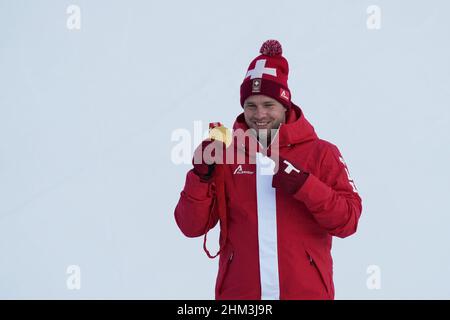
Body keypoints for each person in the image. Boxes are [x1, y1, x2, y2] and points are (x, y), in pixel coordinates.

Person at [174, 39, 362, 300]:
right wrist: (200, 177)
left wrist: (302, 183)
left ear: (285, 106)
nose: (259, 114)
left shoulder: (322, 153)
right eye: (251, 105)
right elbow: (191, 227)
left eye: (268, 105)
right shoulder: (227, 154)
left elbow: (347, 221)